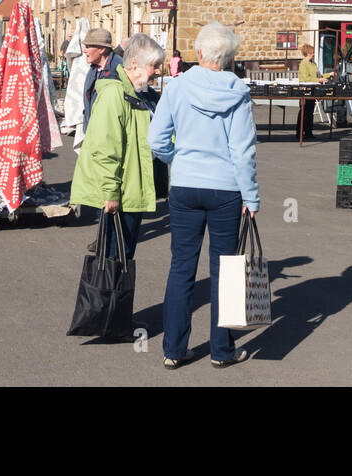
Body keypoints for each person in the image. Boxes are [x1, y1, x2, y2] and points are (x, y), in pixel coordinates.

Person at [148, 21, 259, 370]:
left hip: (185, 185)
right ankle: (221, 350)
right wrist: (251, 197)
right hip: (226, 188)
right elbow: (242, 151)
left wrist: (177, 159)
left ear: (198, 53)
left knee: (182, 266)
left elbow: (156, 139)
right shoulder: (238, 92)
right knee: (225, 269)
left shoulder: (177, 87)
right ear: (229, 58)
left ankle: (174, 349)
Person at [68, 33, 166, 268]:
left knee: (123, 259)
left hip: (133, 189)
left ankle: (115, 294)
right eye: (154, 65)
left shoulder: (140, 92)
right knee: (112, 263)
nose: (159, 71)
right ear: (135, 63)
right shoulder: (114, 93)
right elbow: (105, 148)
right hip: (120, 193)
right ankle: (106, 295)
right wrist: (110, 192)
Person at [82, 28, 122, 116]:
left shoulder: (118, 69)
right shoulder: (94, 67)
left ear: (102, 49)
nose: (84, 51)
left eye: (88, 47)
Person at [297, 43, 325, 140]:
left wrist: (328, 75)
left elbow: (319, 76)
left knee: (310, 112)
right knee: (304, 112)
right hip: (305, 90)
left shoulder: (314, 64)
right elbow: (306, 78)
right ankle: (299, 133)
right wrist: (319, 80)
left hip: (313, 90)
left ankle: (309, 132)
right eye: (312, 52)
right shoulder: (303, 64)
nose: (313, 54)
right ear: (308, 52)